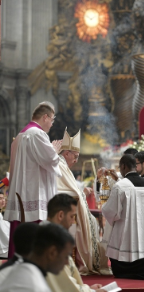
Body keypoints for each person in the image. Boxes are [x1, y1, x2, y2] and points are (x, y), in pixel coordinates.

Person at [4, 101, 62, 258]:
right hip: (34, 192)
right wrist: (55, 150)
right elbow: (50, 160)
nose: (51, 124)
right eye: (52, 119)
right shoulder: (37, 134)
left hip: (22, 192)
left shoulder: (21, 135)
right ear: (45, 117)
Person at [57, 128, 110, 275]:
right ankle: (85, 259)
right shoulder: (59, 165)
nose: (76, 160)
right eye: (75, 156)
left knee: (92, 221)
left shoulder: (63, 165)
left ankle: (92, 256)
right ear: (66, 153)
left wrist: (82, 192)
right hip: (64, 212)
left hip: (70, 208)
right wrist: (81, 193)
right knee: (91, 221)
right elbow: (61, 190)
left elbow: (71, 189)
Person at [42, 193, 106, 292]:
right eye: (72, 217)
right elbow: (67, 287)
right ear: (60, 215)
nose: (73, 222)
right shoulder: (52, 244)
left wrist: (88, 288)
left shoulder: (44, 233)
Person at [0, 223, 75, 292]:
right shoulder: (33, 286)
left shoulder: (23, 269)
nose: (67, 262)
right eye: (66, 256)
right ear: (52, 252)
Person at [0, 190, 10, 259]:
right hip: (3, 251)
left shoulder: (1, 214)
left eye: (3, 198)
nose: (3, 200)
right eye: (0, 199)